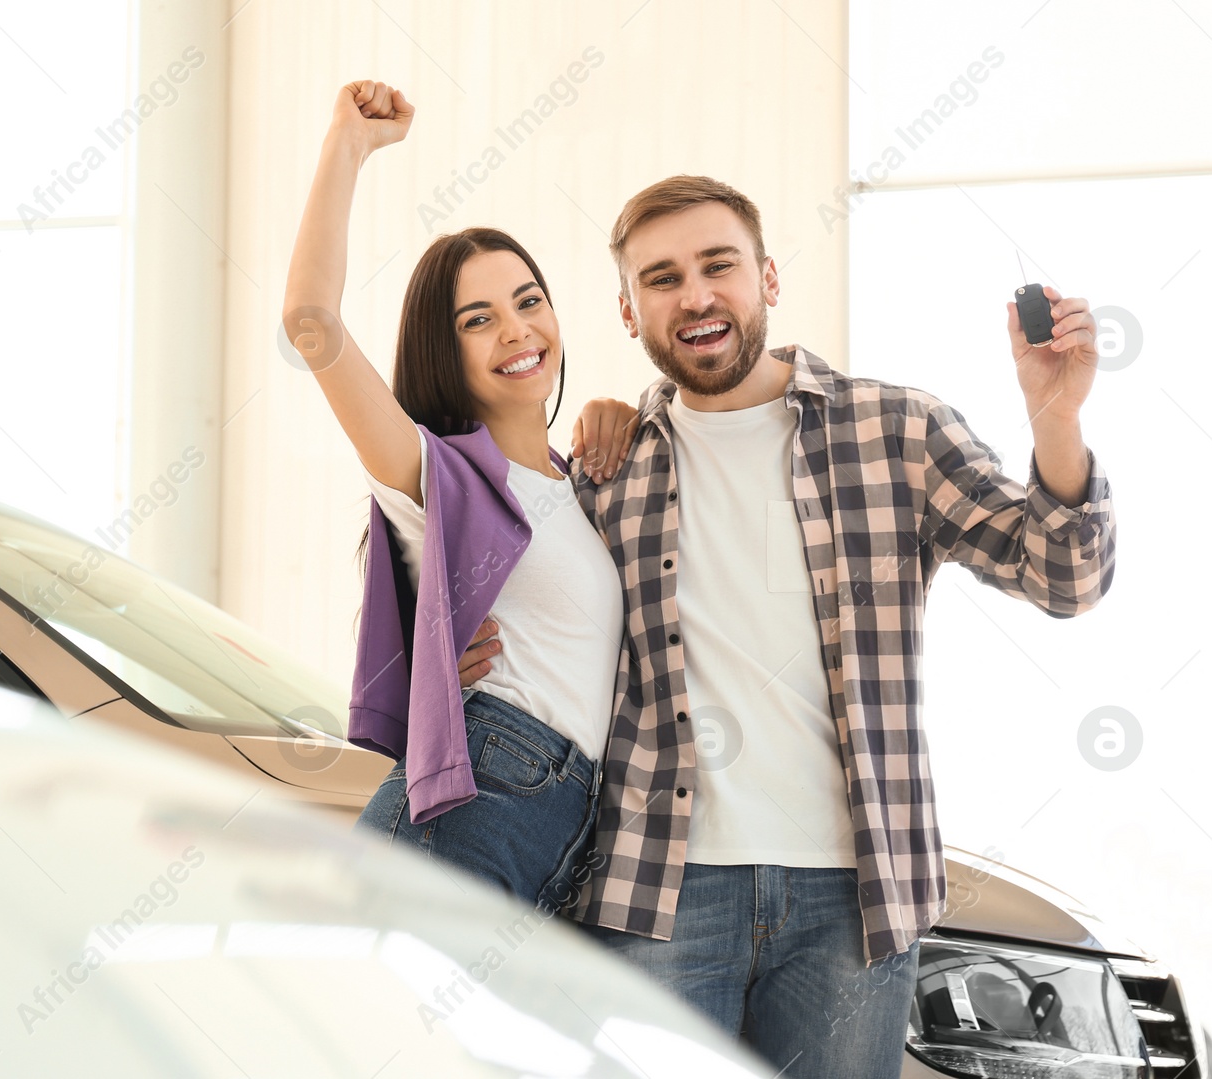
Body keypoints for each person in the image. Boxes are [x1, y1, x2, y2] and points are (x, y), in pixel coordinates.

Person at [459, 174, 1116, 1076]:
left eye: (717, 265)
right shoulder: (608, 468)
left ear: (767, 278)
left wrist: (1057, 419)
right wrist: (456, 659)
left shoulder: (898, 432)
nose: (694, 295)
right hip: (658, 891)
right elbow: (534, 619)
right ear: (627, 311)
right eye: (661, 278)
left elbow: (1067, 575)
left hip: (855, 901)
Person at [282, 80, 639, 915]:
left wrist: (622, 412)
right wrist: (348, 143)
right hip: (475, 803)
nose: (517, 329)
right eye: (478, 319)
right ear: (444, 348)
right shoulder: (433, 474)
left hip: (565, 827)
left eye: (528, 301)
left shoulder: (583, 483)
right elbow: (310, 322)